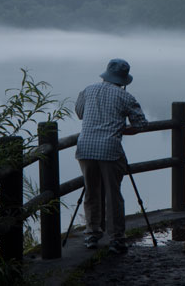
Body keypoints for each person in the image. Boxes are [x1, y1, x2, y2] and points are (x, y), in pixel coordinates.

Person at [75, 58, 148, 254]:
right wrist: (120, 129)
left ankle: (91, 234)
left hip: (85, 147)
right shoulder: (126, 97)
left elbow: (80, 114)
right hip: (109, 149)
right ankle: (116, 239)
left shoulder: (88, 90)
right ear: (123, 80)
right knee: (113, 194)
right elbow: (141, 124)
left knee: (91, 192)